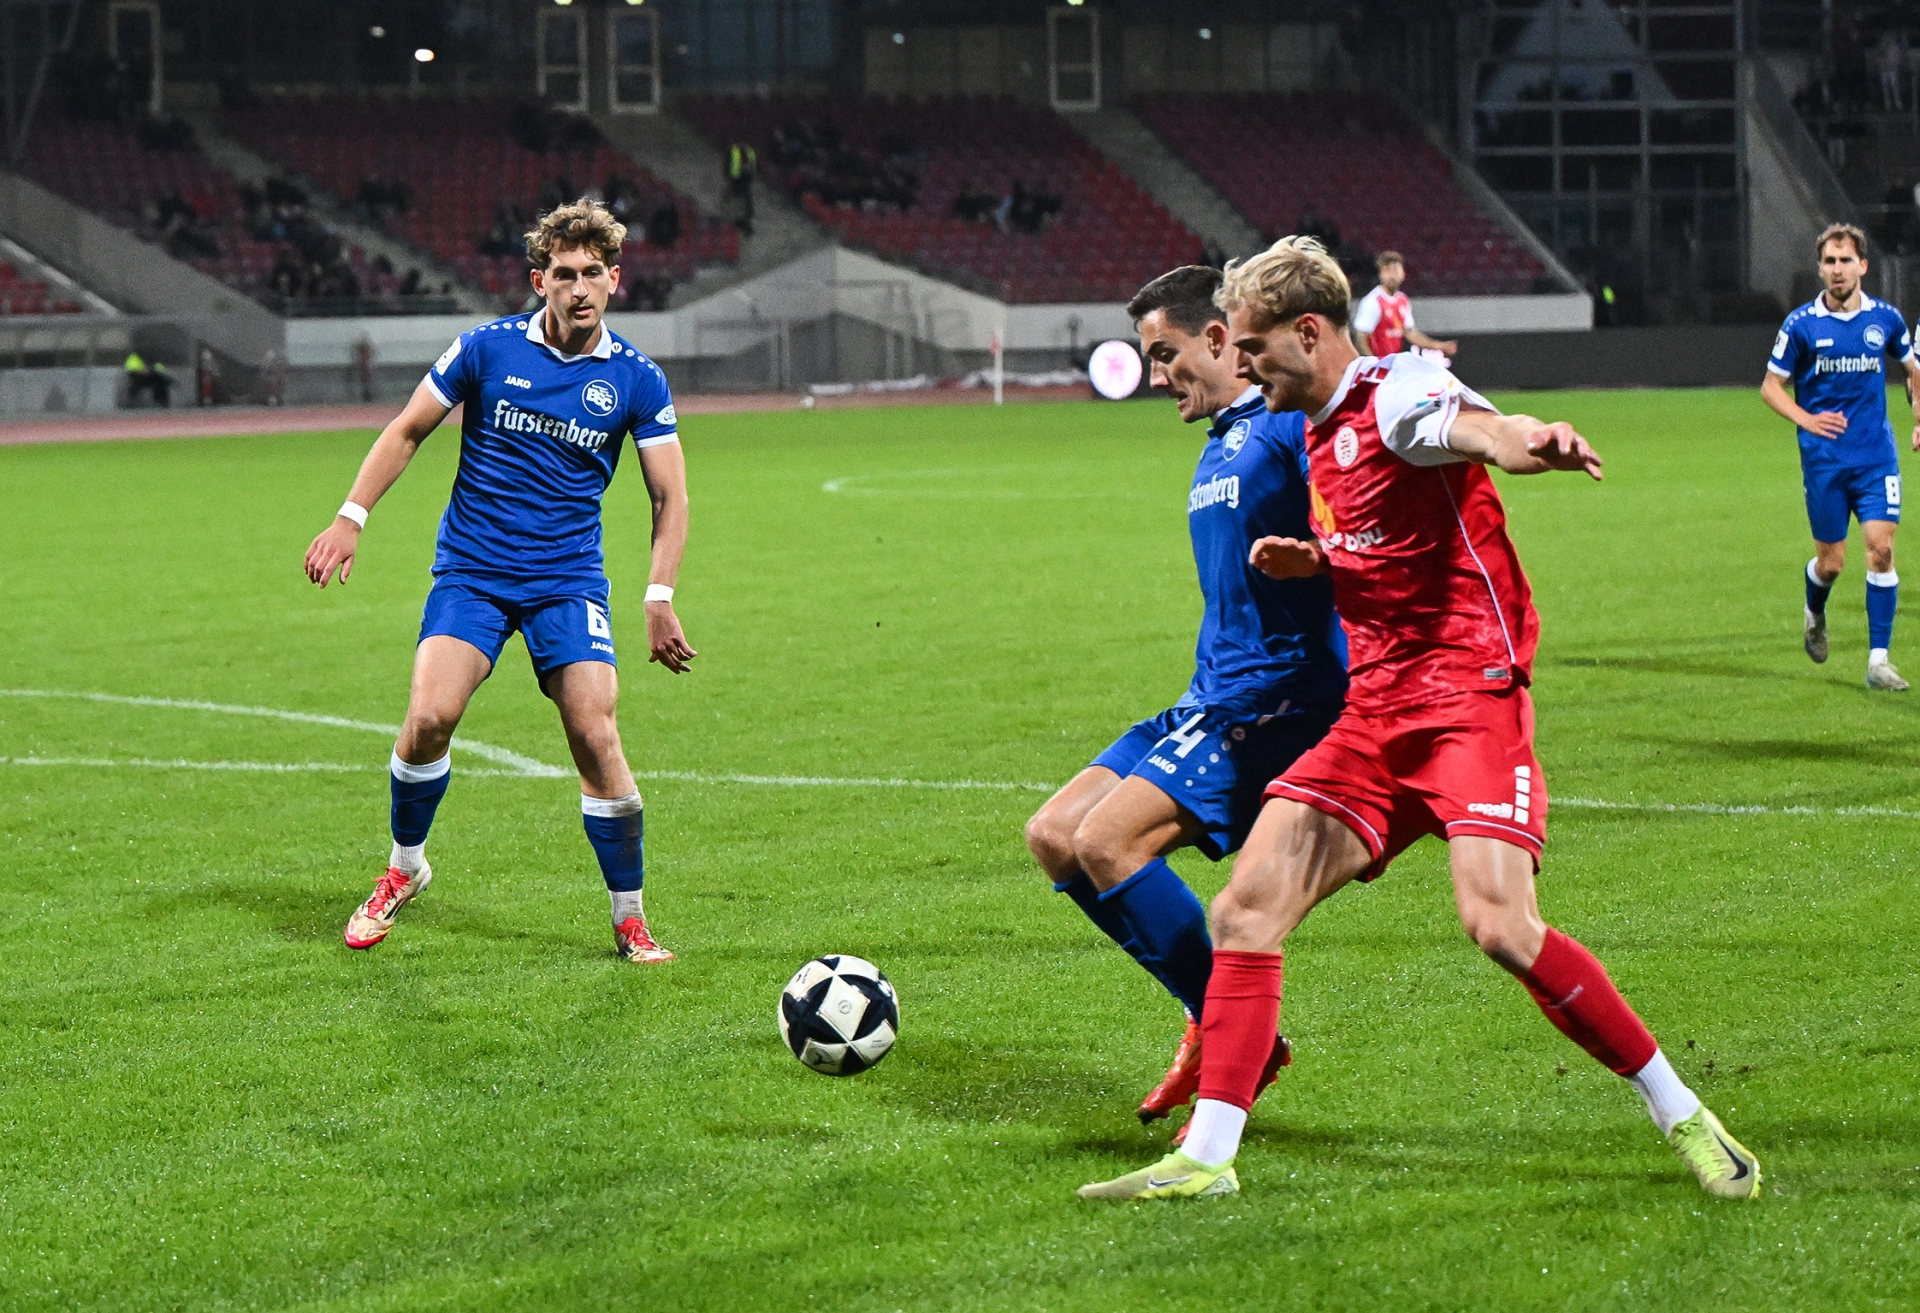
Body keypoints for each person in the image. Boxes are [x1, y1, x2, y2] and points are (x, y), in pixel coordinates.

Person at [1079, 236, 1761, 1203]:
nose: (1246, 366)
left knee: (1499, 924)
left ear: (1307, 333)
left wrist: (1534, 442)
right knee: (1244, 909)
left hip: (1466, 704)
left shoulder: (1398, 394)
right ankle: (1209, 1159)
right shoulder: (1309, 423)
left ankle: (1682, 1111)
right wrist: (1319, 561)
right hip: (1374, 712)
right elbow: (1387, 536)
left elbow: (1482, 432)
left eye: (1256, 347)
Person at [302, 198, 696, 963]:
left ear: (615, 279)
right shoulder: (486, 348)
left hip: (566, 582)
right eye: (563, 274)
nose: (578, 288)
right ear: (538, 280)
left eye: (592, 273)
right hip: (474, 572)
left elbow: (669, 495)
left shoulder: (637, 380)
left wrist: (659, 594)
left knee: (595, 733)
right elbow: (408, 428)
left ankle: (630, 918)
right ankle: (405, 867)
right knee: (429, 717)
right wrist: (351, 516)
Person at [1025, 265, 1347, 1135]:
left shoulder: (1284, 426)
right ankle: (1224, 1021)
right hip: (1210, 695)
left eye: (1165, 353)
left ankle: (1235, 1032)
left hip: (1278, 698)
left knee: (1109, 839)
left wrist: (1322, 560)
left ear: (1218, 338)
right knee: (1055, 834)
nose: (1155, 375)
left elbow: (1355, 525)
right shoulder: (1219, 443)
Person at [1760, 222, 1920, 691]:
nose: (1837, 269)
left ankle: (1878, 662)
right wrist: (1806, 419)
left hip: (1875, 458)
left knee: (1881, 550)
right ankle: (1815, 610)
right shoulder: (1801, 324)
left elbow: (1913, 369)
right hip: (1825, 462)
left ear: (1863, 266)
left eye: (1845, 260)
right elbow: (1771, 387)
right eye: (1829, 261)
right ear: (1820, 269)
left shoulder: (1885, 320)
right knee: (1831, 564)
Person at [1351, 251, 1456, 359]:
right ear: (1381, 274)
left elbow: (1411, 333)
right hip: (1379, 364)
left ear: (1403, 273)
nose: (1392, 275)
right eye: (1387, 270)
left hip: (1393, 364)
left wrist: (1440, 346)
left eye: (1395, 270)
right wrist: (1374, 364)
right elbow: (1361, 339)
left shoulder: (1402, 300)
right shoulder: (1372, 301)